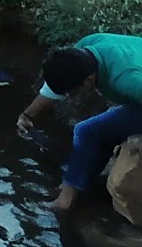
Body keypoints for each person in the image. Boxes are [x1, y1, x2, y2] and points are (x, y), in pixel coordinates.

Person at [18, 34, 142, 215]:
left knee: (87, 131)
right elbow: (55, 87)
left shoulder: (126, 80)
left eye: (72, 93)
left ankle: (66, 200)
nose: (70, 97)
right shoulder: (87, 47)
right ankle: (77, 184)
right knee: (99, 132)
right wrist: (27, 114)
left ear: (89, 80)